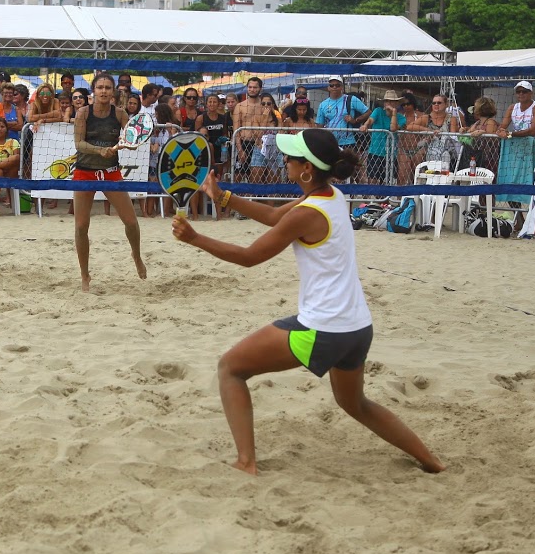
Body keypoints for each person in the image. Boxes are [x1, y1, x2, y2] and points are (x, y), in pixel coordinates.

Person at [171, 128, 445, 477]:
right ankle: (432, 462)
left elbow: (249, 258)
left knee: (231, 368)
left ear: (306, 170)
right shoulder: (331, 194)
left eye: (291, 156)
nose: (284, 159)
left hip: (324, 328)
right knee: (355, 404)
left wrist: (196, 239)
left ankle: (246, 462)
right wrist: (222, 197)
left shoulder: (307, 212)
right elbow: (273, 218)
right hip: (357, 327)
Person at [72, 73, 147, 291]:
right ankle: (85, 275)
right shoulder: (83, 113)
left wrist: (131, 144)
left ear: (113, 91)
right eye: (100, 87)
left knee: (131, 222)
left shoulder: (120, 113)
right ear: (93, 91)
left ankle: (136, 255)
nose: (103, 91)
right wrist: (99, 150)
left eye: (107, 87)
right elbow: (79, 144)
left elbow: (134, 136)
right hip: (84, 172)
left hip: (110, 171)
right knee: (81, 226)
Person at [498, 81, 535, 207]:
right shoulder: (512, 107)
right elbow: (502, 126)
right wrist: (502, 131)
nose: (521, 94)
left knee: (534, 184)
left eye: (524, 91)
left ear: (531, 93)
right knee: (511, 181)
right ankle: (519, 220)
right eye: (518, 91)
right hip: (517, 151)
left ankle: (533, 219)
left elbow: (533, 131)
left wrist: (511, 134)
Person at [230, 77, 272, 183]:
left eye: (255, 87)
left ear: (260, 89)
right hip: (244, 143)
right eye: (250, 87)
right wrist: (240, 150)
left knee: (259, 179)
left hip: (260, 145)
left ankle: (255, 199)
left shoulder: (265, 105)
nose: (252, 89)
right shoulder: (239, 106)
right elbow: (236, 130)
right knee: (238, 176)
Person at [359, 90, 403, 185]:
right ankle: (369, 200)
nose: (389, 103)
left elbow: (393, 128)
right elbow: (370, 120)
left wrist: (394, 113)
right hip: (375, 151)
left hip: (391, 154)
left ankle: (384, 200)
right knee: (372, 180)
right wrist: (365, 126)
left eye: (392, 101)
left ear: (396, 103)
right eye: (387, 101)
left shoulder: (401, 117)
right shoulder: (378, 111)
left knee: (387, 182)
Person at [314, 76, 370, 147]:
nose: (334, 87)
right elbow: (319, 126)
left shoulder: (351, 99)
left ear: (342, 87)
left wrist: (355, 120)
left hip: (348, 142)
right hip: (330, 142)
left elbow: (368, 112)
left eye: (337, 85)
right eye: (332, 85)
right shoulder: (323, 104)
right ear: (328, 88)